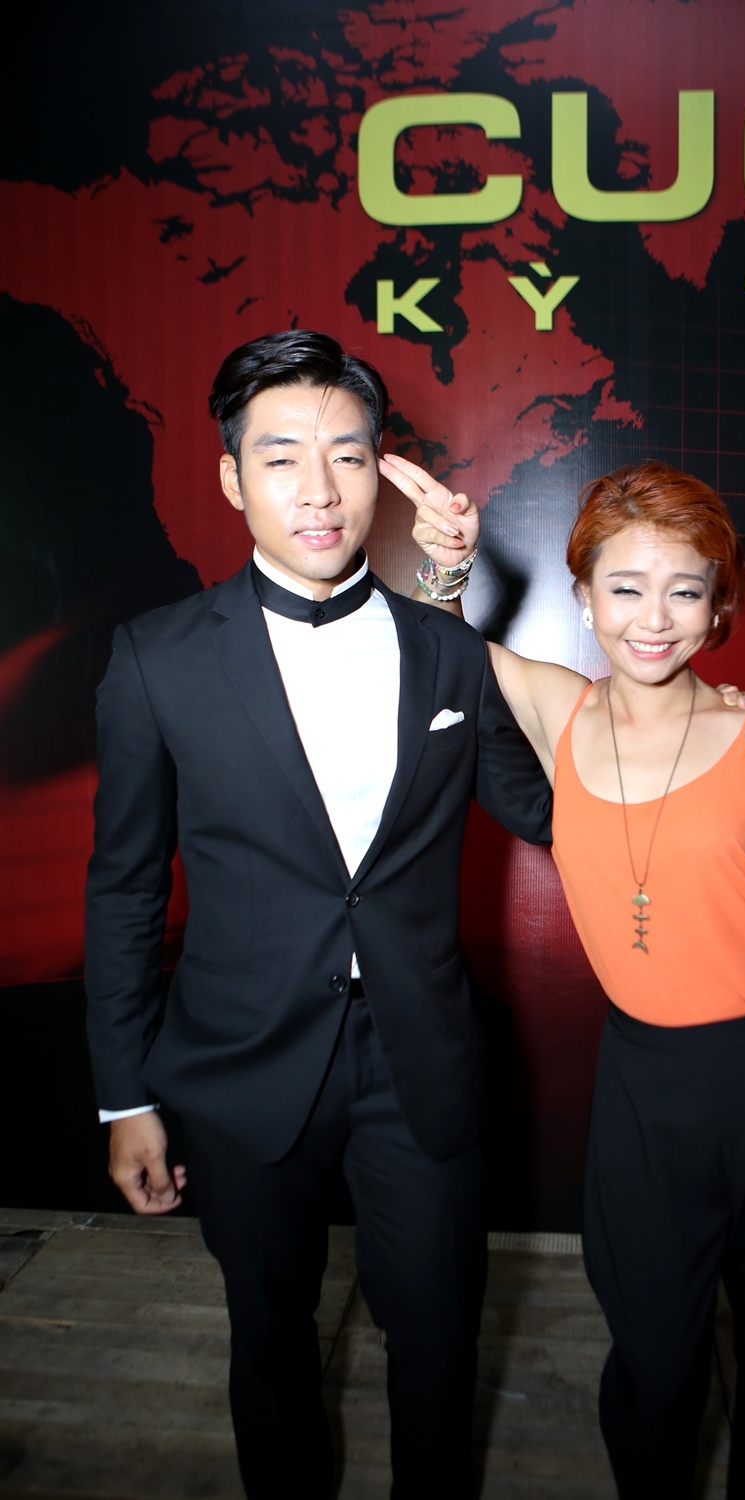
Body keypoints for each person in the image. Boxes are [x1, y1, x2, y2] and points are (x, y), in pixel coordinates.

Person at [385, 452, 745, 1499]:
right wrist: (445, 566)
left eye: (685, 591)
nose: (654, 619)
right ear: (584, 598)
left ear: (718, 608)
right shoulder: (556, 709)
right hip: (648, 1081)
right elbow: (432, 652)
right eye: (626, 587)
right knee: (654, 1356)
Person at [83, 329, 557, 1500]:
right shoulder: (154, 660)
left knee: (438, 1343)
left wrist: (679, 715)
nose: (319, 489)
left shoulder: (444, 649)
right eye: (281, 456)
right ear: (231, 478)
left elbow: (544, 813)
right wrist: (126, 1096)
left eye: (346, 455)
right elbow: (126, 889)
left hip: (420, 1059)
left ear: (378, 471)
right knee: (270, 1339)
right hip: (238, 1063)